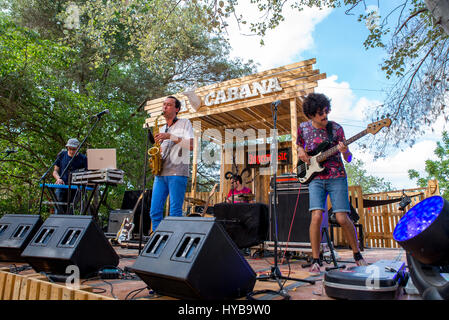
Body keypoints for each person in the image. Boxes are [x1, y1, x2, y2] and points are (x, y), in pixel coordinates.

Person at [296, 93, 367, 275]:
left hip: (337, 176)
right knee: (316, 216)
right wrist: (300, 151)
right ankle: (316, 259)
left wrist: (345, 152)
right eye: (320, 113)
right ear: (311, 115)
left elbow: (349, 158)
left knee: (342, 217)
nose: (325, 116)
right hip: (315, 178)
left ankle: (357, 254)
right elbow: (299, 146)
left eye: (326, 111)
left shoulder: (336, 129)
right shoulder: (303, 128)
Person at [149, 96, 194, 232]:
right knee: (154, 211)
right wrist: (156, 156)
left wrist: (170, 137)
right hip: (161, 172)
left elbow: (191, 145)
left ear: (177, 109)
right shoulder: (162, 128)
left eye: (169, 105)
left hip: (177, 172)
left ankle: (173, 242)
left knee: (175, 212)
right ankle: (157, 241)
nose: (165, 107)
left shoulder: (185, 123)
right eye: (164, 104)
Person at [52, 138, 87, 214]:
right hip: (61, 186)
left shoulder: (83, 158)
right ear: (67, 147)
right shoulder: (62, 155)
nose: (71, 151)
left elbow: (87, 174)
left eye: (74, 149)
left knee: (71, 210)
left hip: (75, 188)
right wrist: (58, 179)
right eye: (69, 149)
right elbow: (55, 171)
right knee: (58, 208)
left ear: (78, 148)